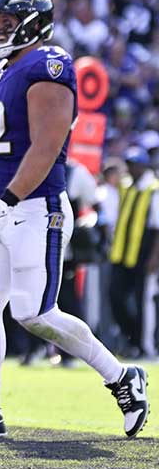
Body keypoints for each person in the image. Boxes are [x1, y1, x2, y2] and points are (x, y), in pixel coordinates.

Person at [0, 0, 147, 439]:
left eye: (5, 21)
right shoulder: (2, 71)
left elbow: (47, 146)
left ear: (31, 22)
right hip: (2, 204)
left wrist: (8, 200)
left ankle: (122, 377)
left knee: (34, 312)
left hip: (36, 206)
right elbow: (8, 153)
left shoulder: (47, 63)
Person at [106, 147, 159, 358]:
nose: (131, 168)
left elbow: (157, 228)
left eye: (135, 164)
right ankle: (133, 339)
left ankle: (145, 346)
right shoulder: (126, 187)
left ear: (144, 165)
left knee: (143, 302)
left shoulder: (154, 189)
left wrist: (155, 258)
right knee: (114, 296)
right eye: (129, 164)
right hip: (121, 254)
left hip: (144, 255)